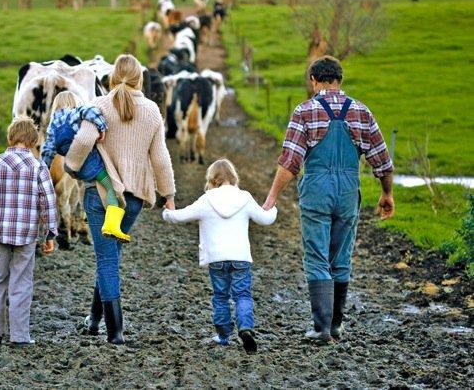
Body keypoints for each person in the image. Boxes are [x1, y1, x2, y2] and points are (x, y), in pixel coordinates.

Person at [262, 56, 395, 344]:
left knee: (317, 255)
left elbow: (290, 162)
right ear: (340, 80)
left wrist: (272, 196)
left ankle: (321, 328)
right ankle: (336, 325)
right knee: (341, 257)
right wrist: (387, 193)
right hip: (348, 190)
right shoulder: (361, 111)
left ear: (313, 80)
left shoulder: (305, 111)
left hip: (317, 190)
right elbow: (383, 161)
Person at [65, 54, 176, 345]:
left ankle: (115, 331)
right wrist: (169, 194)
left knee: (106, 259)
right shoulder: (151, 111)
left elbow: (83, 142)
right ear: (140, 79)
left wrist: (71, 166)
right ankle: (94, 320)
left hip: (101, 196)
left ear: (112, 78)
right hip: (133, 200)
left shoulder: (99, 105)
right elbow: (160, 158)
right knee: (110, 256)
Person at [162, 159, 276, 353]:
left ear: (212, 179)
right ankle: (246, 328)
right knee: (242, 295)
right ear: (233, 177)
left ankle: (223, 336)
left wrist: (168, 212)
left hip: (216, 258)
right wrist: (272, 208)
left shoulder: (207, 199)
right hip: (240, 257)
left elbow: (179, 216)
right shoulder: (245, 197)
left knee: (221, 297)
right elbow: (265, 219)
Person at [0, 116, 59, 347]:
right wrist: (50, 233)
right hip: (26, 236)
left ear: (10, 138)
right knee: (22, 283)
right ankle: (19, 336)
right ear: (33, 141)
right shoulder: (39, 166)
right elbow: (48, 201)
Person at [42, 91, 130, 242]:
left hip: (72, 167)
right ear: (73, 103)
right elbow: (91, 111)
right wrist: (102, 128)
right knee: (111, 187)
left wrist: (43, 170)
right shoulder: (74, 113)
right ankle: (112, 225)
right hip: (89, 162)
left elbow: (48, 151)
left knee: (89, 185)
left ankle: (84, 218)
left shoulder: (52, 126)